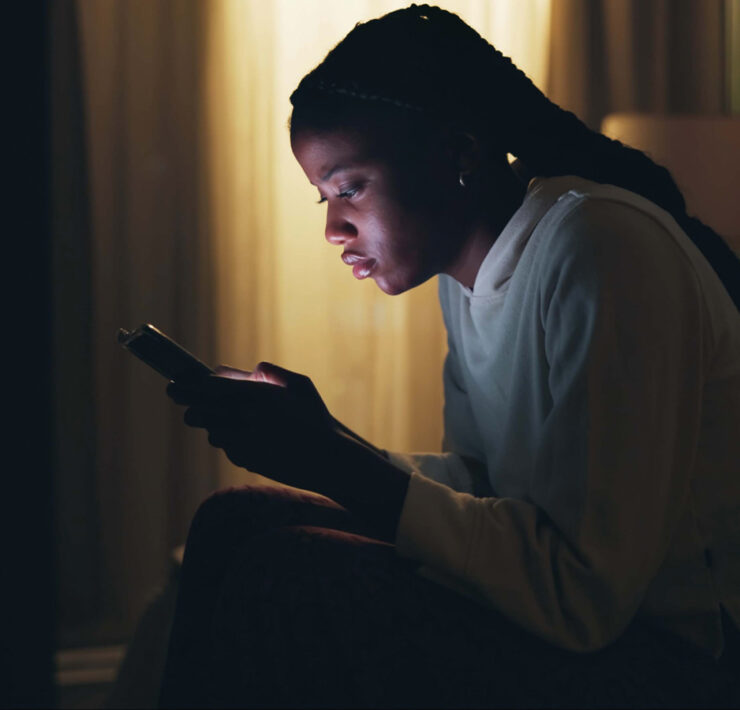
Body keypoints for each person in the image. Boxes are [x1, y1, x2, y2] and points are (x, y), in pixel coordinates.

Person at [159, 5, 740, 708]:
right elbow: (484, 485)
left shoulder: (599, 249)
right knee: (234, 519)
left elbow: (585, 597)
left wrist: (336, 464)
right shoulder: (468, 283)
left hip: (675, 654)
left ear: (459, 156)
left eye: (350, 188)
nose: (332, 227)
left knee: (291, 569)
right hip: (580, 618)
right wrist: (323, 440)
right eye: (323, 197)